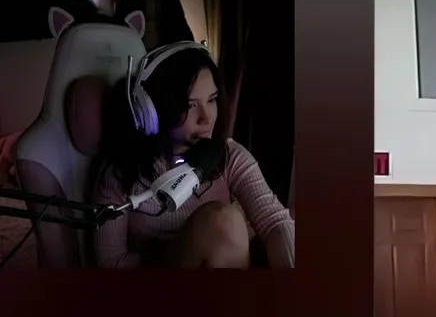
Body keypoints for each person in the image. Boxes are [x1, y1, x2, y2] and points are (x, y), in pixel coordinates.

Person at [93, 42, 295, 268]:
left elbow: (275, 221)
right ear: (151, 111)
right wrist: (179, 250)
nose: (206, 118)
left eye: (211, 100)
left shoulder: (229, 156)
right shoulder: (120, 173)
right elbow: (110, 263)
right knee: (222, 222)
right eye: (190, 106)